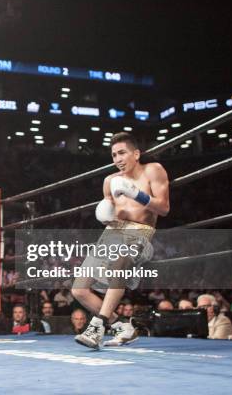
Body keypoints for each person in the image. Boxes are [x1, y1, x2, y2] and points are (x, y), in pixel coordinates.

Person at [72, 132, 170, 349]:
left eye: (122, 153)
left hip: (140, 231)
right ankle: (121, 326)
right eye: (114, 155)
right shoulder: (110, 181)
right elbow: (109, 211)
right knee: (79, 289)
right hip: (112, 232)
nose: (117, 159)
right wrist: (105, 212)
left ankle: (97, 326)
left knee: (121, 260)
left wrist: (137, 194)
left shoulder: (152, 170)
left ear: (136, 153)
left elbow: (163, 208)